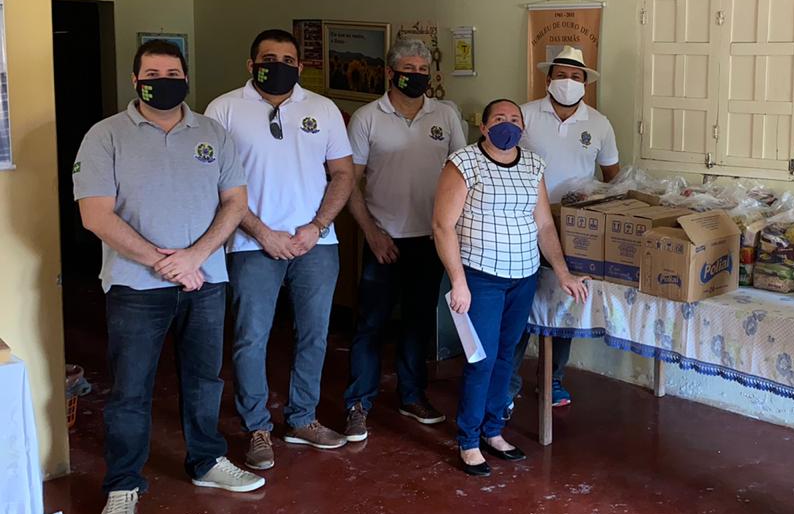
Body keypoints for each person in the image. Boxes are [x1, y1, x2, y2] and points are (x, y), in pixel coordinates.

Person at [74, 39, 264, 514]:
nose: (164, 81)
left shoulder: (213, 133)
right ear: (135, 81)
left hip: (206, 281)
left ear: (185, 78)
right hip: (136, 286)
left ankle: (207, 461)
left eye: (173, 73)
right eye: (153, 74)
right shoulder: (105, 136)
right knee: (131, 389)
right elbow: (95, 215)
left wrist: (195, 257)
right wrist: (167, 263)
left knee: (205, 380)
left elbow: (235, 203)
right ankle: (123, 483)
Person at [206, 29, 356, 469]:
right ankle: (257, 427)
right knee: (250, 337)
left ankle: (302, 418)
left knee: (314, 334)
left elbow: (343, 174)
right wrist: (261, 232)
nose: (279, 66)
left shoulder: (322, 109)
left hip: (316, 242)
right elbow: (215, 180)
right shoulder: (224, 109)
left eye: (288, 60)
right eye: (269, 59)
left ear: (300, 66)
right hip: (251, 243)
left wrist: (317, 226)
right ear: (251, 65)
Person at [432, 99, 589, 477]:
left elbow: (545, 226)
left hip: (523, 277)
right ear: (484, 127)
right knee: (481, 359)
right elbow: (442, 225)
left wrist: (563, 272)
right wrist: (458, 281)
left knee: (507, 356)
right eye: (499, 119)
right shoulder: (464, 162)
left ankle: (493, 431)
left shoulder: (533, 165)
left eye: (515, 119)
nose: (508, 124)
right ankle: (469, 440)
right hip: (481, 277)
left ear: (523, 127)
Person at [341, 38, 467, 441]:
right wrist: (371, 233)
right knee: (371, 324)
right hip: (385, 240)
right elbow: (349, 182)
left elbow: (465, 172)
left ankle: (412, 396)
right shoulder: (367, 118)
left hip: (430, 239)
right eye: (408, 69)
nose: (416, 76)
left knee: (417, 323)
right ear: (390, 73)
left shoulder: (445, 115)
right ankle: (358, 403)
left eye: (423, 70)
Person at [505, 45, 619, 409]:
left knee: (563, 306)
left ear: (585, 83)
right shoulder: (524, 115)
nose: (568, 82)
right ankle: (506, 384)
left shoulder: (599, 124)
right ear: (548, 79)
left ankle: (552, 380)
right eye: (561, 75)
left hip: (573, 231)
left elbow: (612, 177)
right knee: (519, 306)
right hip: (523, 224)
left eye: (575, 77)